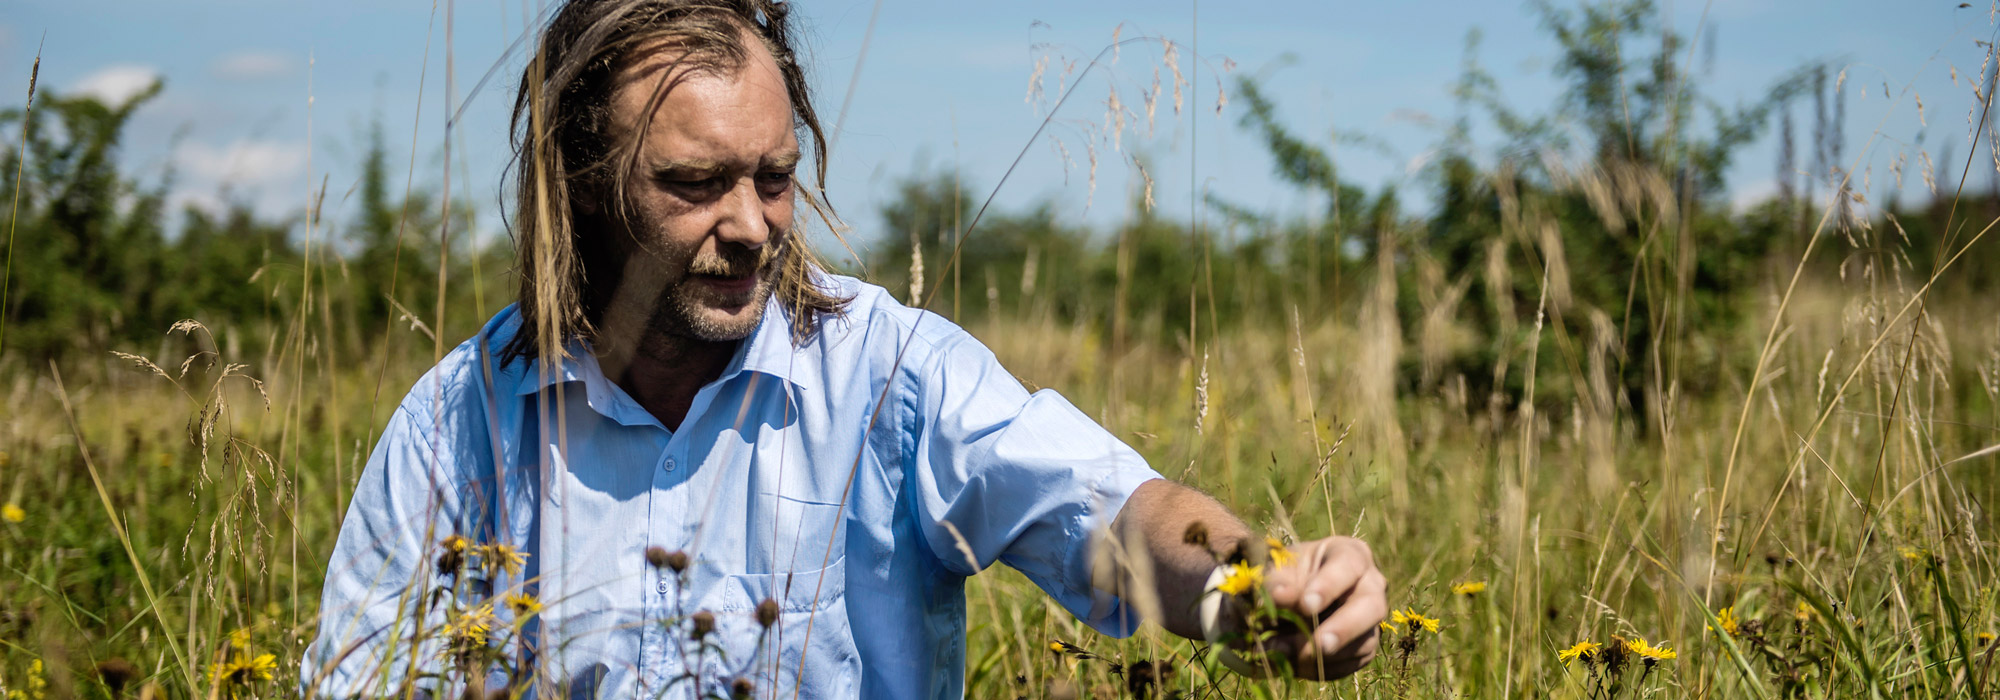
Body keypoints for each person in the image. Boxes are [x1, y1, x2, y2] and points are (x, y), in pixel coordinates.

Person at [303, 1, 1387, 697]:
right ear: (581, 186)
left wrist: (1259, 583)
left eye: (771, 177)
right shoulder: (465, 417)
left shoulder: (889, 373)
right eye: (693, 183)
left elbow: (1102, 512)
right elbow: (360, 677)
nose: (750, 224)